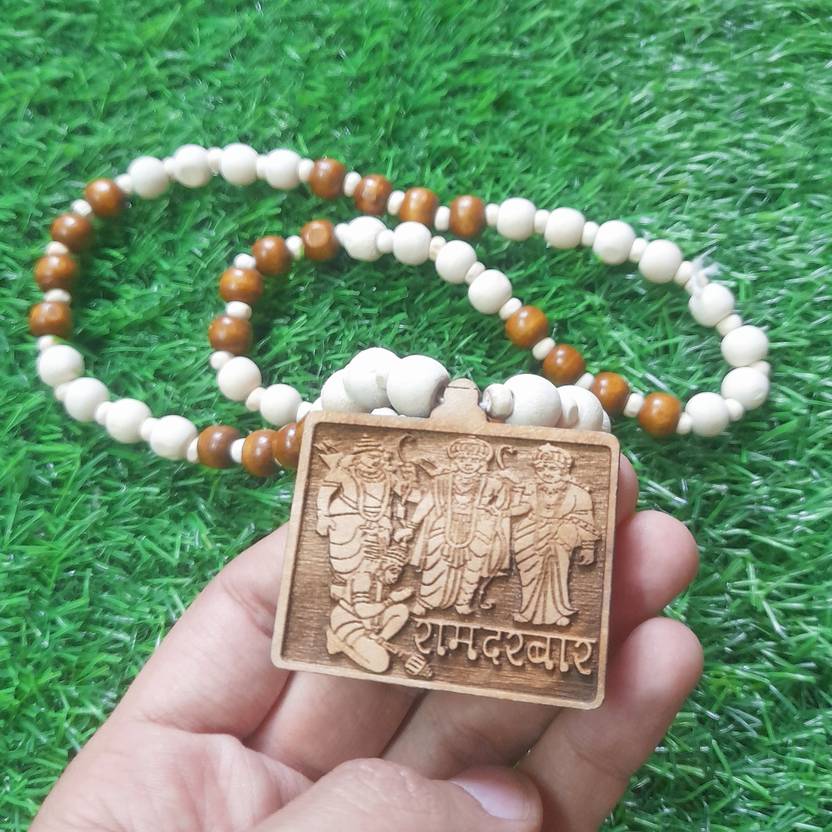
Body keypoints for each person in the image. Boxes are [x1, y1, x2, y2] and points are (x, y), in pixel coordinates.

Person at [30, 456, 702, 832]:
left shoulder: (533, 499)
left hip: (506, 566)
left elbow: (525, 532)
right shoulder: (373, 504)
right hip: (404, 569)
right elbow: (393, 526)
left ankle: (407, 615)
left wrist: (518, 528)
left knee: (515, 581)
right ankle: (377, 618)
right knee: (426, 578)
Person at [513, 445, 601, 627]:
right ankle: (527, 612)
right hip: (529, 533)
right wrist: (504, 510)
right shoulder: (531, 488)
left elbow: (585, 519)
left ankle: (556, 614)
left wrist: (588, 547)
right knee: (528, 575)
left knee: (557, 575)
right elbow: (523, 507)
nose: (547, 472)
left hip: (560, 536)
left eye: (552, 468)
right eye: (542, 468)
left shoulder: (579, 493)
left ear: (563, 470)